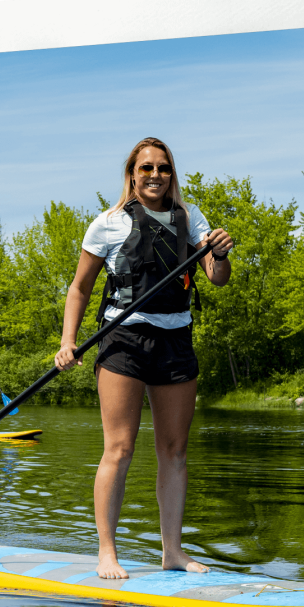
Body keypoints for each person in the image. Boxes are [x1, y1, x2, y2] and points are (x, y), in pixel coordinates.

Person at [54, 137, 234, 579]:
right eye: (147, 167)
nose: (156, 175)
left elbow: (218, 278)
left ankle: (172, 551)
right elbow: (79, 289)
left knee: (174, 450)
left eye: (164, 168)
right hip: (123, 339)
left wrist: (222, 254)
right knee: (119, 447)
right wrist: (67, 340)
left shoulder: (191, 220)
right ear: (132, 174)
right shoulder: (109, 223)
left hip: (175, 340)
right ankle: (107, 553)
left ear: (172, 174)